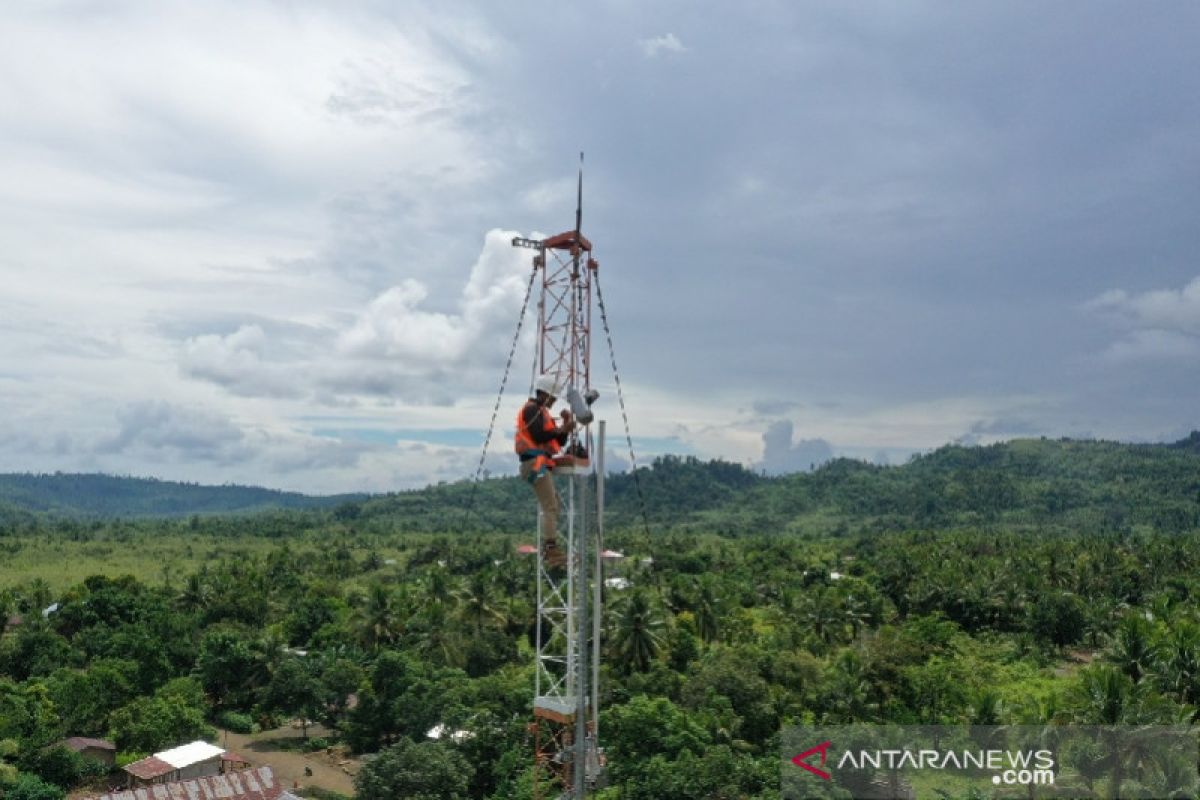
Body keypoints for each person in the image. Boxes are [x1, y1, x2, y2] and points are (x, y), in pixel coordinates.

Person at [515, 374, 576, 568]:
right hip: (535, 462)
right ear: (544, 394)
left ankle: (549, 546)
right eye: (553, 397)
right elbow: (539, 434)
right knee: (550, 506)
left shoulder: (542, 412)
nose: (554, 401)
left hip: (539, 462)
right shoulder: (532, 409)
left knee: (554, 505)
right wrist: (562, 428)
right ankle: (550, 548)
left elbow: (557, 442)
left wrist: (564, 427)